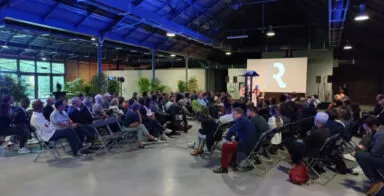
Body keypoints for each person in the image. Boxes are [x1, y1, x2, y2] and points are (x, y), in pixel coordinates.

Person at [213, 108, 257, 173]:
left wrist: (227, 139)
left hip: (245, 145)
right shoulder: (245, 119)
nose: (232, 116)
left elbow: (231, 131)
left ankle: (224, 168)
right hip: (251, 144)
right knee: (233, 142)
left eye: (234, 114)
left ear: (238, 114)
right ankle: (232, 162)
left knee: (225, 145)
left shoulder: (240, 120)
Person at [355, 116, 384, 195]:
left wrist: (363, 150)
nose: (366, 130)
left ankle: (376, 181)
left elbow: (375, 153)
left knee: (359, 155)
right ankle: (376, 180)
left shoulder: (381, 134)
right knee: (361, 154)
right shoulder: (379, 131)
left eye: (367, 128)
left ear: (373, 126)